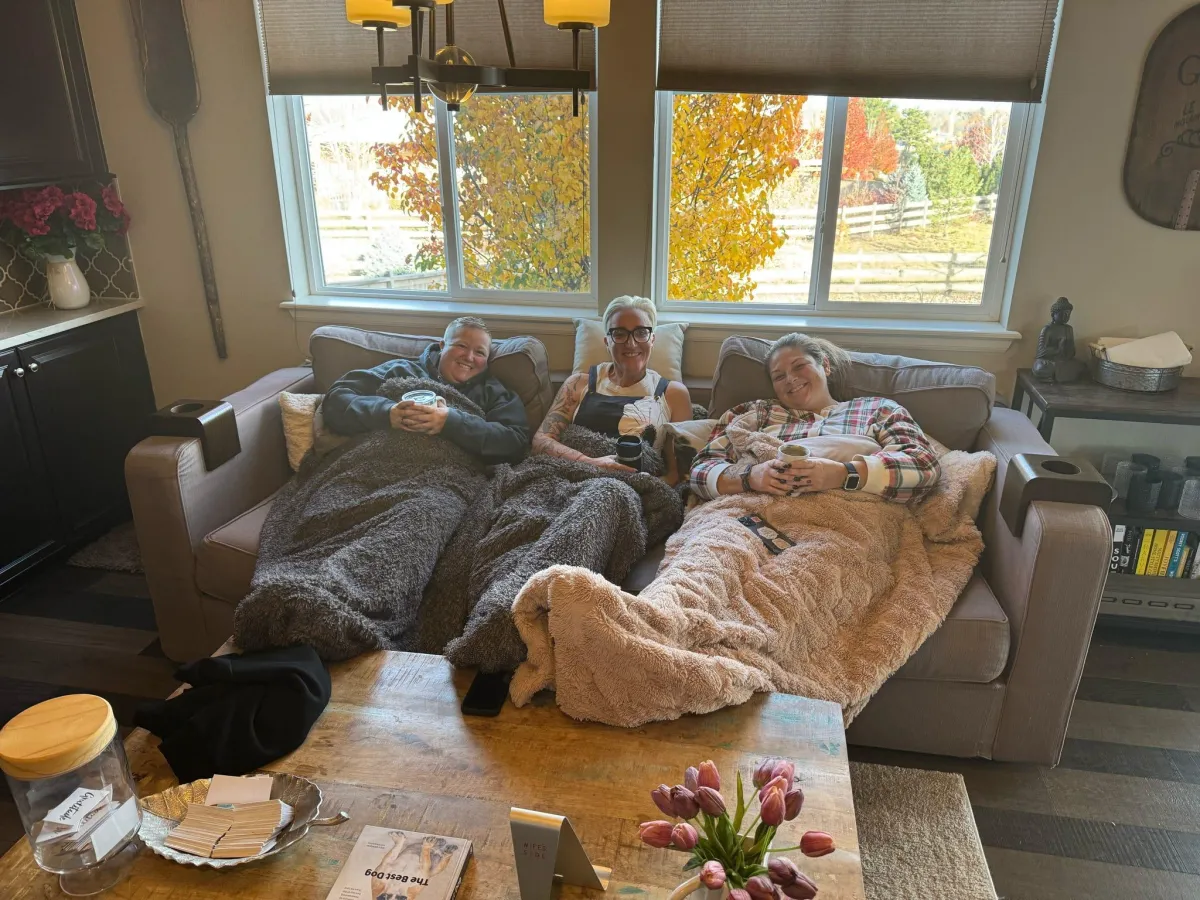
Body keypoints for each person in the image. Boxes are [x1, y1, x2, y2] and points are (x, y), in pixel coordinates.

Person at [689, 333, 940, 501]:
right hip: (754, 517)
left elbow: (924, 466)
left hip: (844, 521)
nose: (790, 379)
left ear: (826, 366)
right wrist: (750, 478)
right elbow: (700, 471)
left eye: (799, 366)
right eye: (779, 376)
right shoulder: (754, 414)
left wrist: (845, 474)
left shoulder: (877, 409)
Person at [322, 316, 530, 464]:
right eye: (461, 346)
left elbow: (516, 442)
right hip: (376, 464)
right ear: (441, 346)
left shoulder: (493, 393)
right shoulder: (401, 371)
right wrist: (387, 414)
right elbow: (336, 398)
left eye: (480, 352)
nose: (468, 357)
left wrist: (451, 422)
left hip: (444, 479)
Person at [533, 296, 693, 472]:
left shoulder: (673, 394)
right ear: (607, 342)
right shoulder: (578, 384)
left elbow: (678, 472)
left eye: (641, 332)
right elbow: (541, 440)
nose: (631, 343)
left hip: (634, 487)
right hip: (571, 475)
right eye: (620, 334)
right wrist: (593, 463)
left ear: (652, 340)